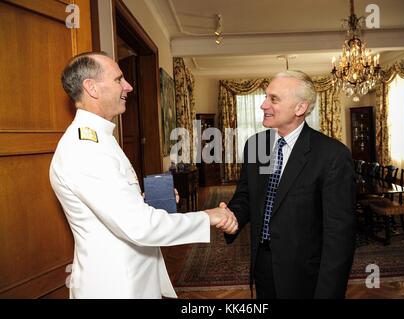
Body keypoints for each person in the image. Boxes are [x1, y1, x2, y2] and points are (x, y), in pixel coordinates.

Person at [49, 51, 238, 299]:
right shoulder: (86, 148)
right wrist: (208, 216)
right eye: (119, 80)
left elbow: (116, 208)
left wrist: (146, 200)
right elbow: (139, 226)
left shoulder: (100, 138)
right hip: (116, 287)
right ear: (91, 88)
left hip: (133, 277)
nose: (128, 86)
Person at [223, 70, 356, 299]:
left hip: (305, 274)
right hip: (263, 264)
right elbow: (246, 196)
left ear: (300, 108)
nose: (263, 105)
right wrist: (231, 216)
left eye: (273, 99)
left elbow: (339, 238)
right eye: (266, 97)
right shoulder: (256, 146)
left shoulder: (332, 155)